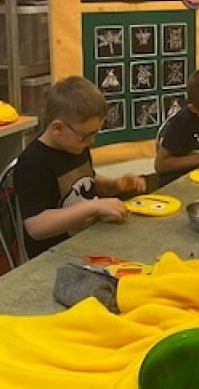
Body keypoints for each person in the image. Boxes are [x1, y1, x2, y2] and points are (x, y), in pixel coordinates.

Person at [13, 76, 145, 258]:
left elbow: (86, 179)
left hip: (87, 241)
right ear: (57, 128)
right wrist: (93, 207)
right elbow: (36, 226)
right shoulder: (34, 163)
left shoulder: (74, 144)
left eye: (94, 133)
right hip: (55, 257)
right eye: (86, 136)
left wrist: (113, 185)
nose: (91, 141)